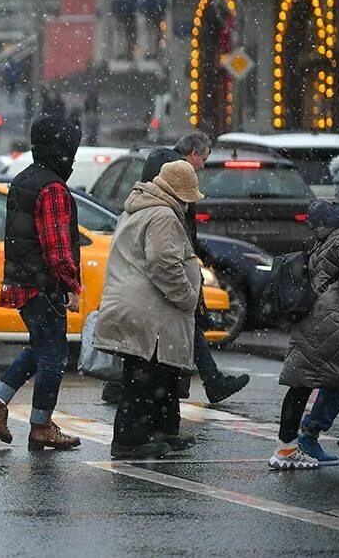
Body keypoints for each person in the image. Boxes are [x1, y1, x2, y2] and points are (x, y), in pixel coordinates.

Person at [101, 136, 250, 405]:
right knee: (171, 342)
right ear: (193, 153)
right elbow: (165, 257)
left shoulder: (157, 188)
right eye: (203, 159)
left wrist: (199, 257)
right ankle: (179, 395)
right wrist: (187, 294)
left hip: (153, 289)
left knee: (165, 346)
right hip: (162, 291)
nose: (202, 167)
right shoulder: (171, 187)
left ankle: (160, 399)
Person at [0, 116, 83, 451]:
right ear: (62, 150)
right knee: (53, 353)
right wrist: (71, 284)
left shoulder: (25, 180)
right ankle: (40, 425)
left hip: (24, 281)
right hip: (43, 284)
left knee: (39, 348)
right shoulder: (52, 188)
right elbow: (56, 246)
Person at [95, 161, 204, 460]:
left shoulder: (138, 208)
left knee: (151, 374)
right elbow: (163, 263)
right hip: (149, 311)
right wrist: (187, 296)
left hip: (134, 307)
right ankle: (130, 441)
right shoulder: (163, 215)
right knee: (144, 378)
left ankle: (158, 432)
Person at [270, 154, 339, 470]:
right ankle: (300, 441)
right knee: (326, 379)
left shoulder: (334, 229)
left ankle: (290, 445)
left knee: (307, 381)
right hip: (337, 320)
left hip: (319, 317)